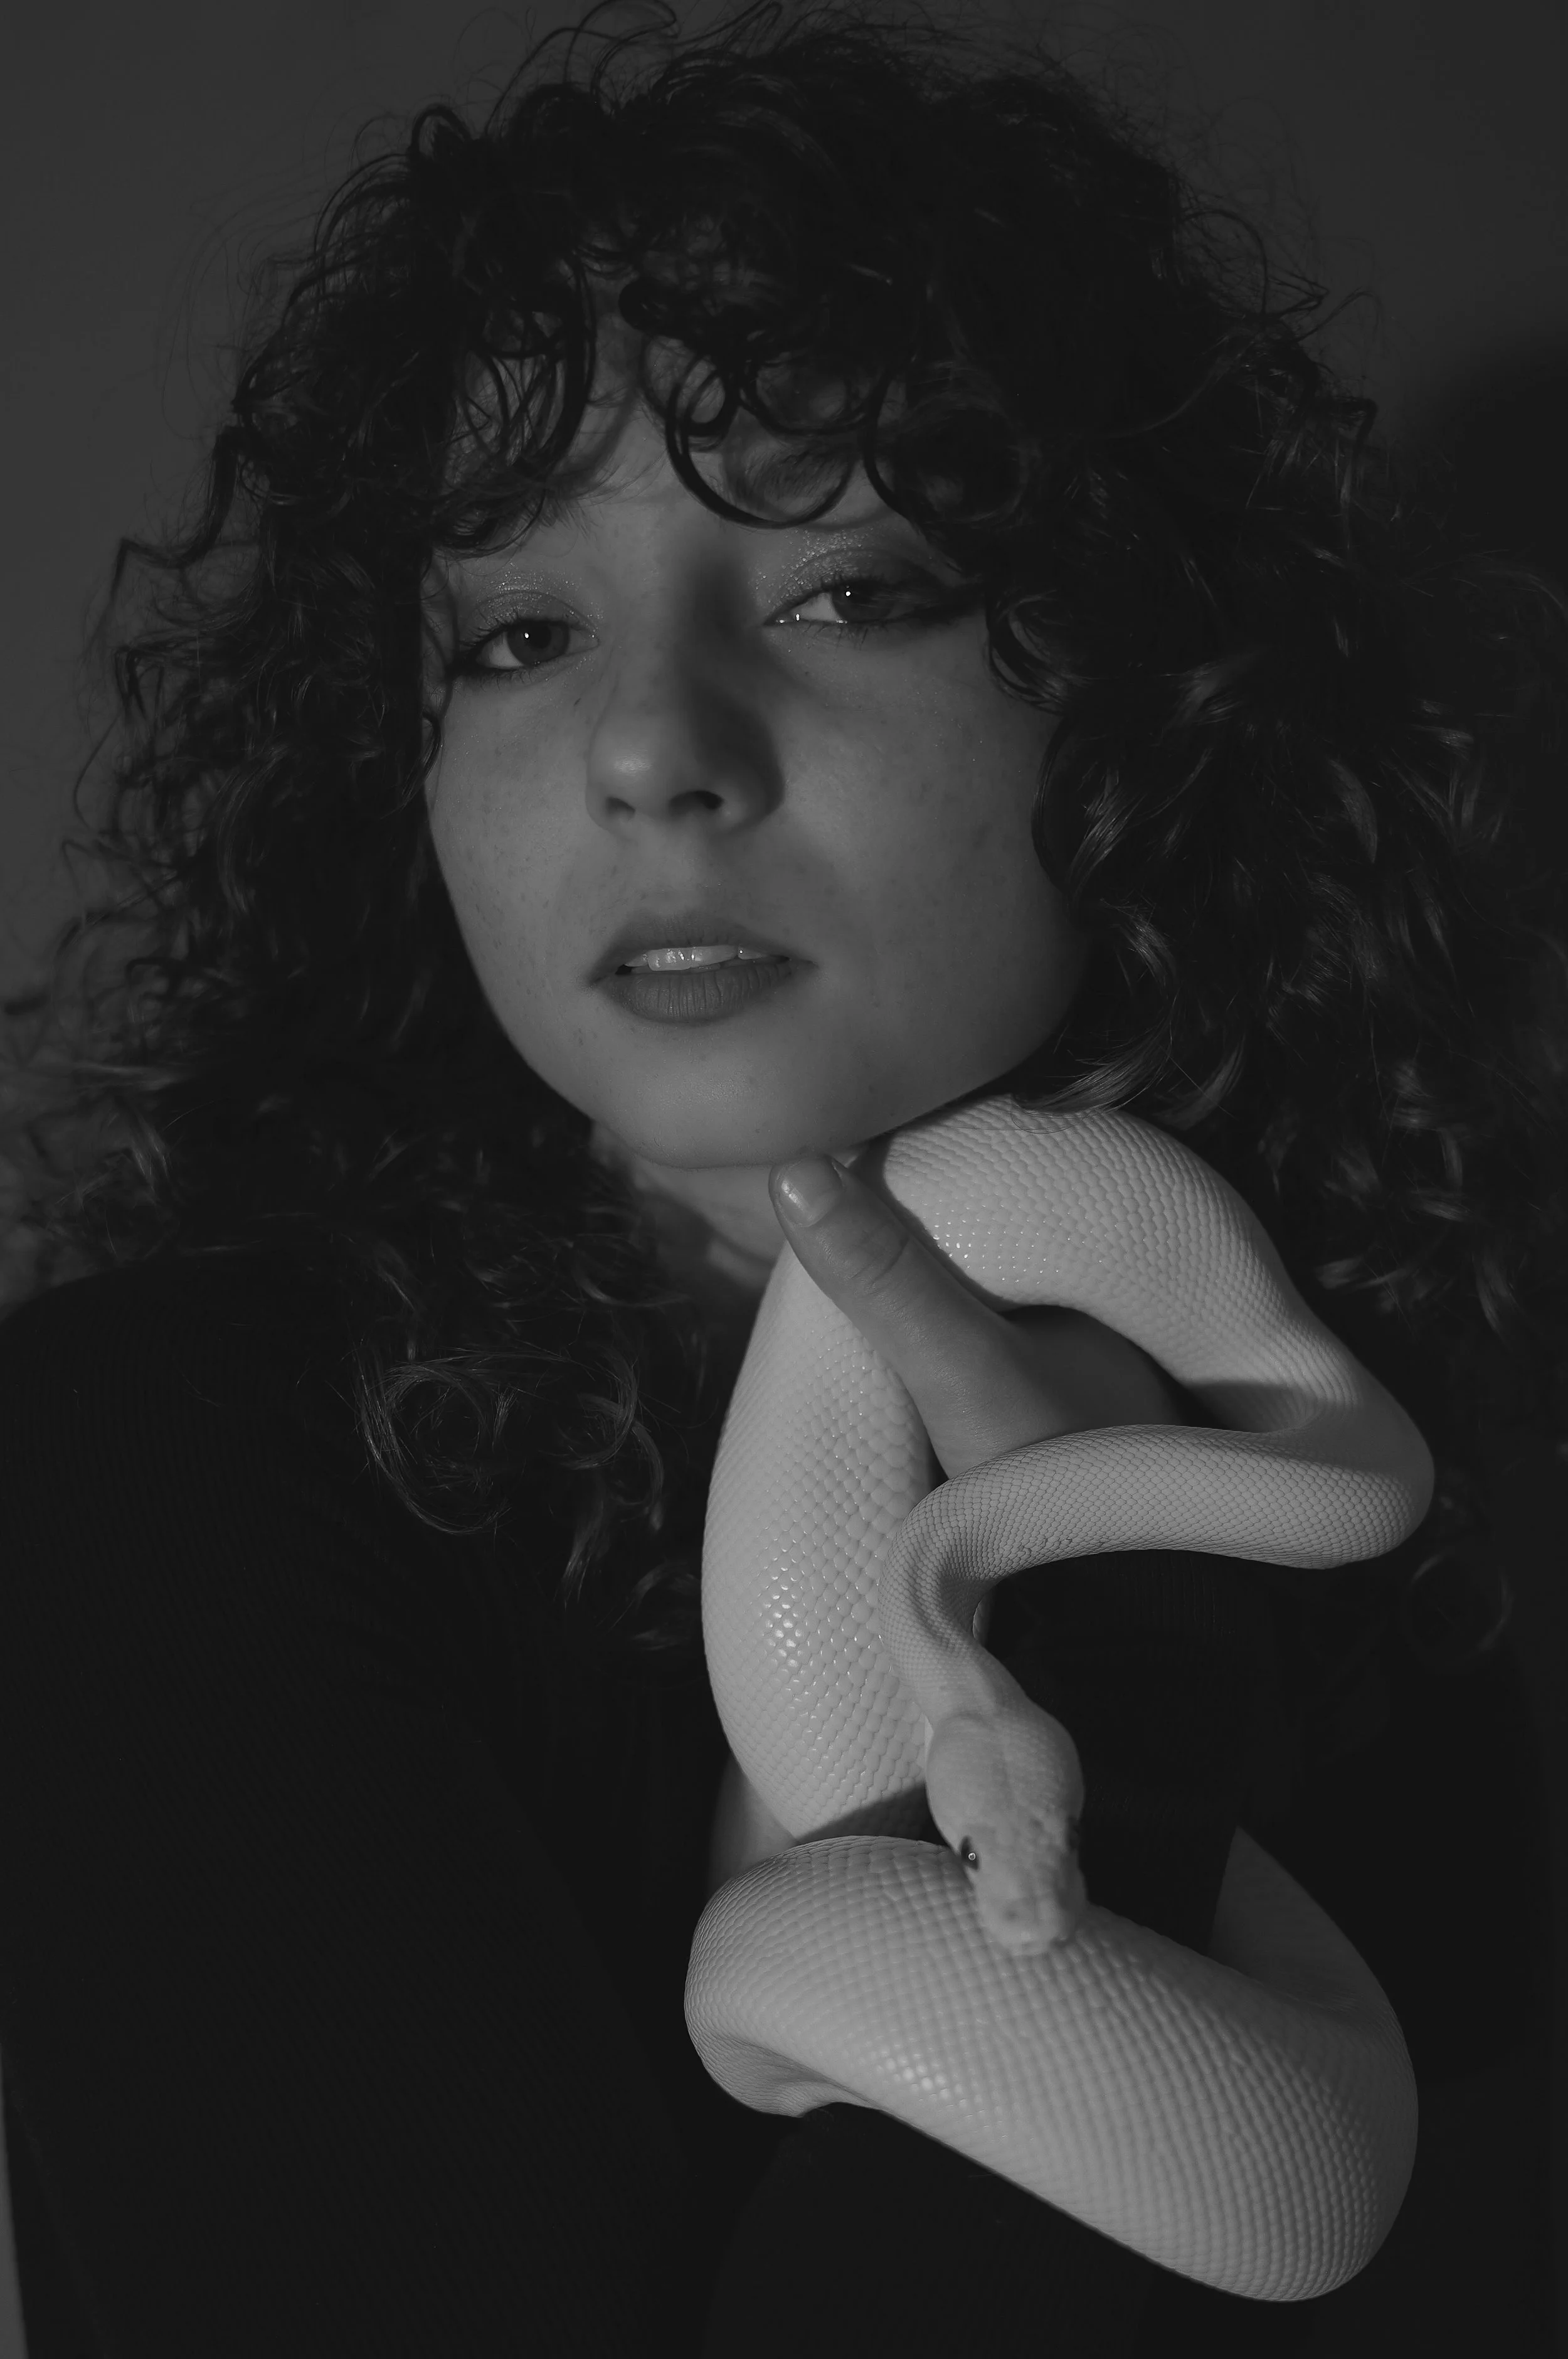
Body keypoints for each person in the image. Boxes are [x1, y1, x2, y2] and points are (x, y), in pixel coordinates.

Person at [0, 3, 1561, 2351]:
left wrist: (1108, 1619)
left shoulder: (1421, 1593)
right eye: (518, 633)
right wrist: (1113, 1700)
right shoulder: (144, 1471)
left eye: (847, 589)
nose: (647, 746)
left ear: (1132, 704)